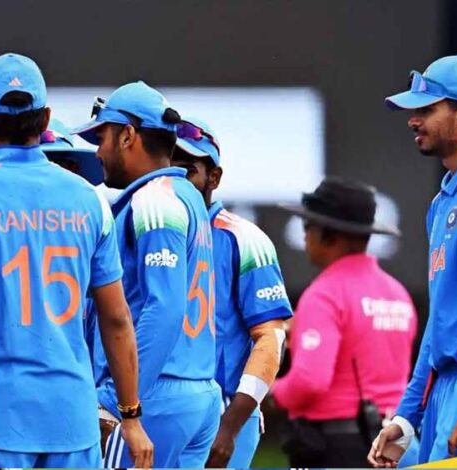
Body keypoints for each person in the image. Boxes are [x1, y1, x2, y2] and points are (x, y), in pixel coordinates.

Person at [0, 53, 152, 469]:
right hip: (74, 420)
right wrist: (131, 416)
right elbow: (117, 318)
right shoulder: (90, 200)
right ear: (46, 117)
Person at [72, 82, 222, 468]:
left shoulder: (156, 198)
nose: (98, 152)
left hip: (154, 394)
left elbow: (165, 308)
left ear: (128, 136)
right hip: (196, 390)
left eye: (102, 138)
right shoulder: (186, 195)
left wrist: (119, 402)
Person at [371, 54, 457, 466]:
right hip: (447, 388)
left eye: (426, 110)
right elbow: (440, 321)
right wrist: (407, 418)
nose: (413, 120)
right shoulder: (442, 202)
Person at [171, 116, 293, 468]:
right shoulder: (147, 227)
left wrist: (230, 425)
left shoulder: (244, 238)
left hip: (224, 415)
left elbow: (271, 338)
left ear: (214, 177)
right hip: (157, 410)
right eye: (168, 168)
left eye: (187, 170)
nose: (175, 180)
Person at [271, 177, 417, 467]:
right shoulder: (398, 293)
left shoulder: (324, 295)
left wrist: (271, 392)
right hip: (400, 444)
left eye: (308, 227)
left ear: (328, 235)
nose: (304, 237)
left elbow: (309, 381)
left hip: (342, 448)